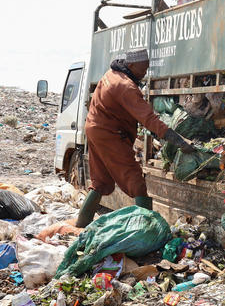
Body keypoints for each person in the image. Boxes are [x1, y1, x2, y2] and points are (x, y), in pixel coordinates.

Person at [75, 49, 193, 228]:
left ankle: (80, 225)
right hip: (109, 135)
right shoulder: (126, 87)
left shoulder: (111, 74)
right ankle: (146, 229)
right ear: (131, 66)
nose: (144, 74)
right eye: (143, 70)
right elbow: (149, 119)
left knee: (100, 182)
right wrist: (178, 141)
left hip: (94, 130)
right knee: (135, 179)